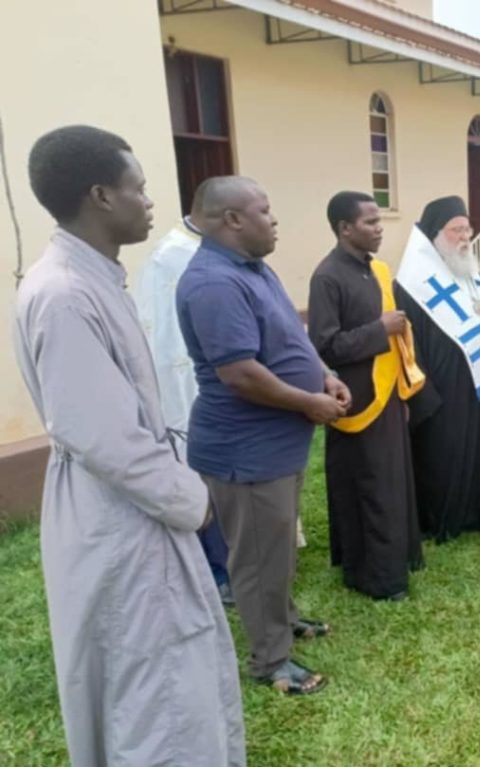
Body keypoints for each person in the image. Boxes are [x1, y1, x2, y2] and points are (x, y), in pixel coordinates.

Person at [14, 125, 244, 765]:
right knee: (156, 698)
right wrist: (193, 499)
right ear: (100, 196)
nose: (150, 202)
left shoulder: (93, 279)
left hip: (133, 510)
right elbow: (106, 439)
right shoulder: (63, 294)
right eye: (138, 187)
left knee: (169, 678)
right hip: (118, 517)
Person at [177, 176, 349, 695]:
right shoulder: (213, 283)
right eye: (265, 211)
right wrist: (310, 403)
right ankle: (270, 660)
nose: (274, 220)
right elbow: (240, 374)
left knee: (277, 547)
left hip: (278, 444)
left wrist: (323, 374)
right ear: (232, 220)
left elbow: (289, 337)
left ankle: (285, 617)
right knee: (254, 559)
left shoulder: (253, 269)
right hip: (244, 450)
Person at [307, 192, 424, 600]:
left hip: (389, 393)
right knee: (370, 488)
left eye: (379, 221)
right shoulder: (328, 277)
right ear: (344, 228)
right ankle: (377, 578)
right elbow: (325, 346)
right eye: (370, 222)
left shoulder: (377, 270)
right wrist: (381, 329)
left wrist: (402, 394)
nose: (379, 229)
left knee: (393, 483)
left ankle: (399, 559)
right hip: (355, 401)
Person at [396, 196, 480, 541]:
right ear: (435, 235)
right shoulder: (411, 281)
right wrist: (424, 391)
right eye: (457, 230)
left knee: (476, 446)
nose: (466, 237)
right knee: (445, 453)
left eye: (468, 229)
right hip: (441, 386)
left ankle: (475, 510)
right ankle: (445, 518)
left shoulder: (464, 266)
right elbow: (409, 340)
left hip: (477, 382)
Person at [134, 177, 234, 605]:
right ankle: (220, 569)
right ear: (225, 216)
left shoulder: (218, 250)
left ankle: (242, 560)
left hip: (226, 382)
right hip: (189, 386)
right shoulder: (174, 258)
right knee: (204, 477)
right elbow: (168, 338)